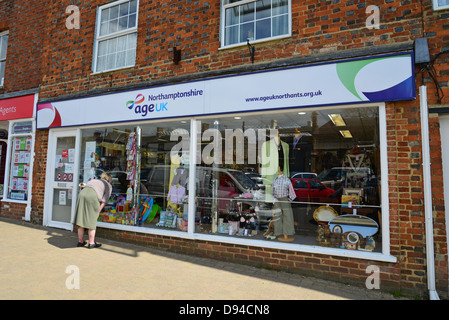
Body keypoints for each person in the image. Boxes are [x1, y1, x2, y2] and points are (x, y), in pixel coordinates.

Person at [74, 172, 112, 249]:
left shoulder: (94, 180)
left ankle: (80, 241)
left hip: (82, 194)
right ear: (109, 179)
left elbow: (84, 186)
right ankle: (91, 243)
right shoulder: (108, 185)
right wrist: (98, 211)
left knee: (81, 219)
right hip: (92, 196)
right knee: (92, 220)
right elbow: (105, 200)